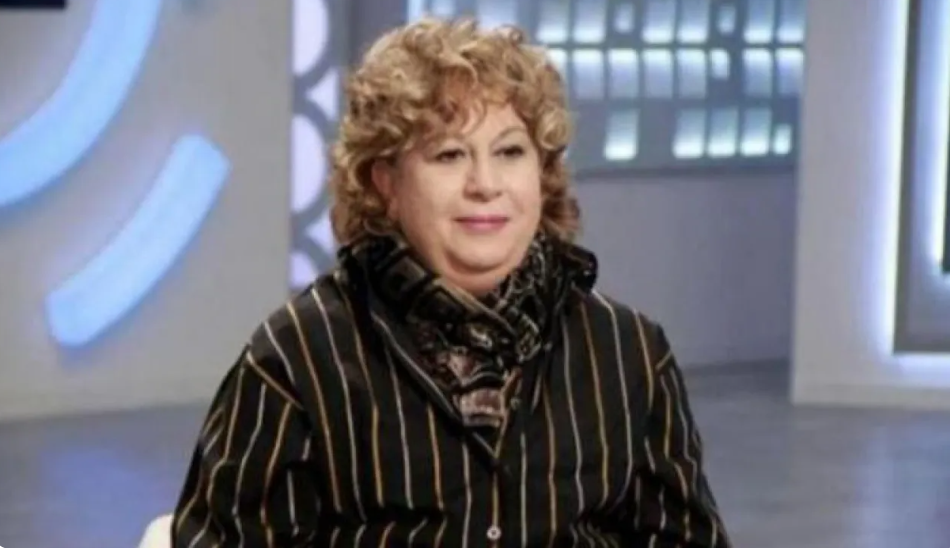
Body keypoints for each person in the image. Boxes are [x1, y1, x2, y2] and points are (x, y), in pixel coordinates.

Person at [171, 16, 731, 548]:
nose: (485, 183)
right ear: (386, 183)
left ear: (541, 175)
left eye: (510, 152)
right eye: (449, 154)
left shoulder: (628, 353)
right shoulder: (298, 360)